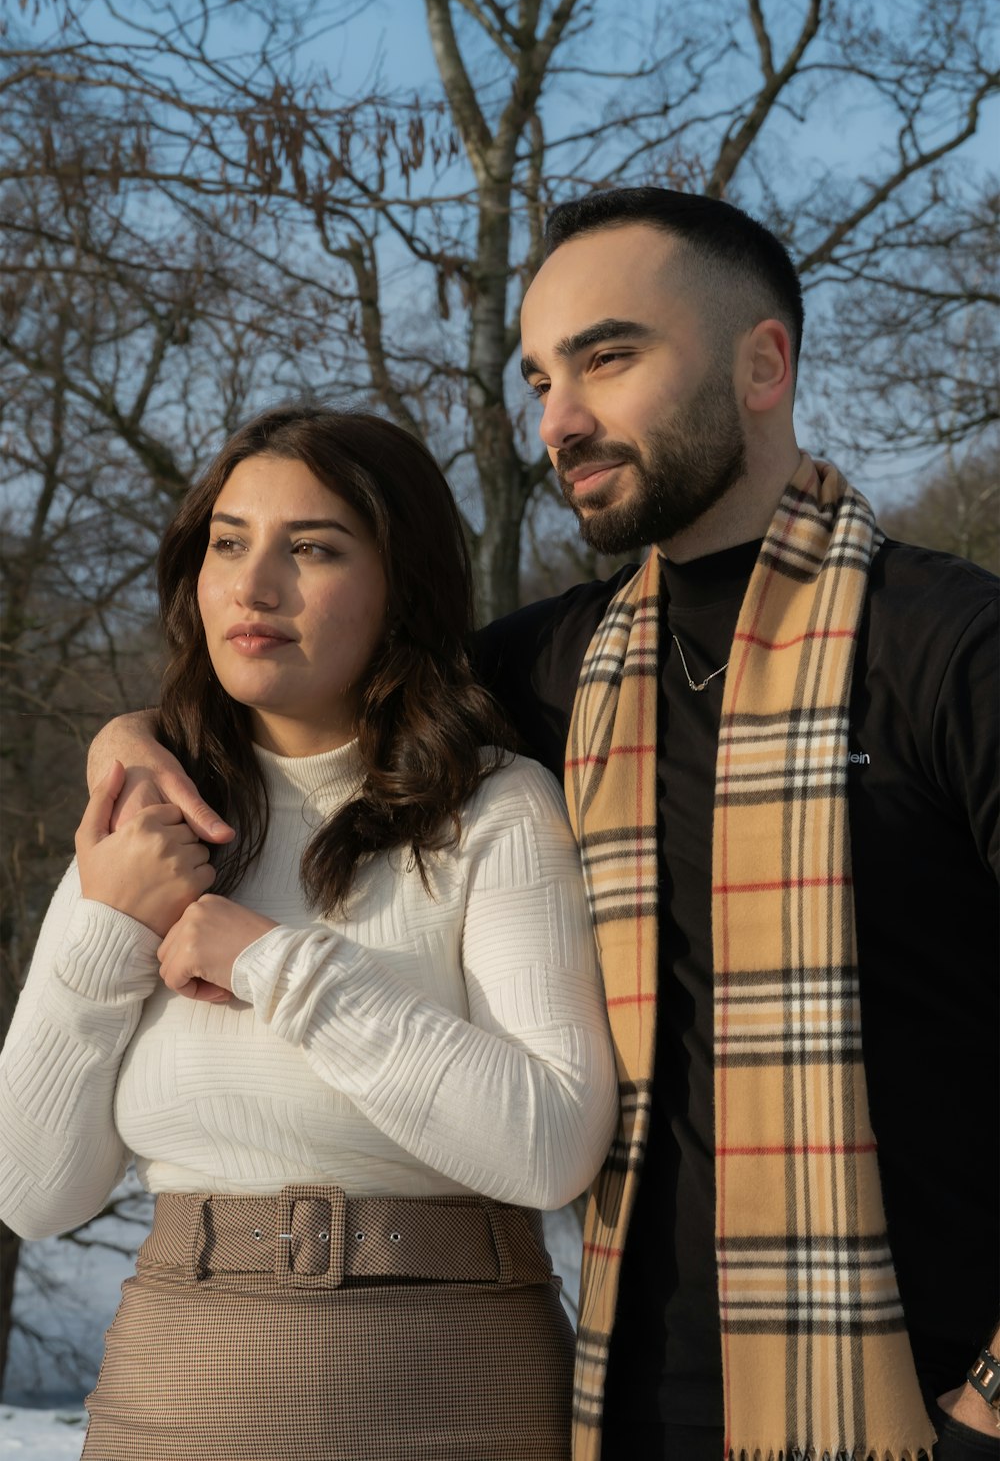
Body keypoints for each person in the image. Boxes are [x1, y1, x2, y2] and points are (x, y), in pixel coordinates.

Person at [83, 190, 998, 1461]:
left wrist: (989, 1403)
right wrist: (132, 739)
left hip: (913, 1402)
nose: (558, 420)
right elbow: (307, 693)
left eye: (608, 358)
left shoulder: (951, 649)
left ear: (763, 363)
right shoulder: (555, 670)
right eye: (539, 377)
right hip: (617, 1402)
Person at [0, 406, 619, 1461]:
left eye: (315, 548)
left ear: (402, 584)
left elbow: (551, 1144)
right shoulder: (147, 819)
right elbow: (32, 1189)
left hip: (460, 1397)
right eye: (228, 543)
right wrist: (106, 926)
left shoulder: (494, 809)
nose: (255, 585)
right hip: (177, 1400)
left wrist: (267, 964)